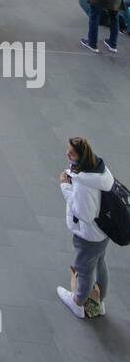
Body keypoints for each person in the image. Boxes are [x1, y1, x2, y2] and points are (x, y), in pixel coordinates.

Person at [57, 136, 114, 319]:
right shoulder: (100, 171)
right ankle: (100, 302)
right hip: (103, 232)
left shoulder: (83, 183)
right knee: (99, 263)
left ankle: (78, 302)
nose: (67, 153)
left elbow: (84, 214)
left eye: (71, 153)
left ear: (80, 156)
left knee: (83, 268)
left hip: (88, 235)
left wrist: (66, 187)